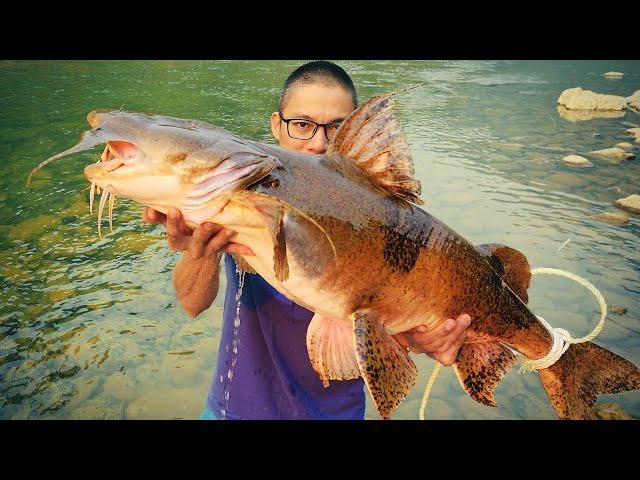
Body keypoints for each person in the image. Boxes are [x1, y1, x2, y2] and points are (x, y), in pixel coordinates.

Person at [142, 61, 471, 419]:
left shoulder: (386, 222)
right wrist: (199, 250)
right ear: (275, 125)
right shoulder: (247, 195)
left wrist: (427, 339)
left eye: (336, 128)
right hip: (234, 410)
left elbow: (387, 323)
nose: (318, 143)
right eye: (301, 125)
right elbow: (192, 303)